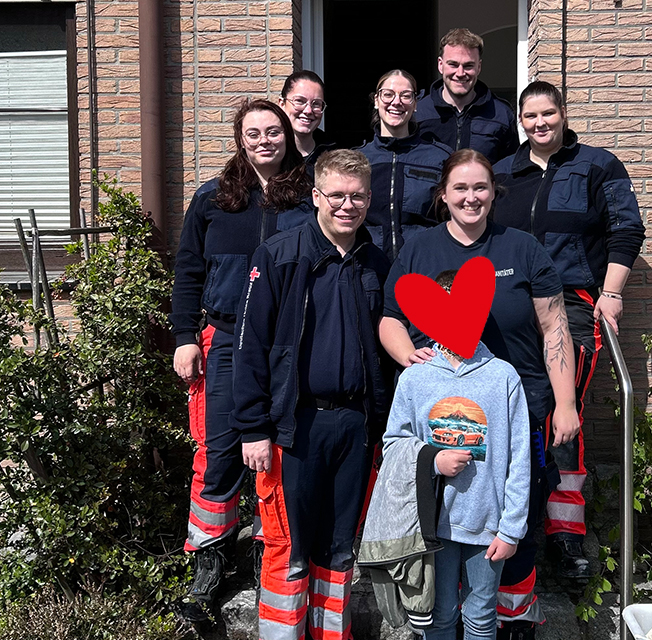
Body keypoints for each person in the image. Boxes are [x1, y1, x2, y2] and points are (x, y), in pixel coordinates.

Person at [379, 149, 579, 636]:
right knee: (445, 533)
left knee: (517, 525)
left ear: (494, 193)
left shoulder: (522, 248)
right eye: (460, 188)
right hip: (440, 418)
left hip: (519, 406)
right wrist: (411, 357)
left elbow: (554, 325)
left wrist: (567, 403)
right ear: (443, 195)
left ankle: (510, 624)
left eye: (481, 187)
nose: (471, 197)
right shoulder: (420, 249)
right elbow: (389, 318)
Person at [230, 149, 392, 640]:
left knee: (340, 549)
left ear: (369, 198)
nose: (348, 205)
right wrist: (253, 428)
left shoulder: (378, 261)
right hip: (292, 427)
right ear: (317, 196)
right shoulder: (278, 255)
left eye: (357, 196)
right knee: (288, 547)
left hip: (356, 427)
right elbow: (249, 347)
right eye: (337, 195)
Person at [492, 80, 645, 587]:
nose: (539, 124)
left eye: (548, 114)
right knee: (504, 411)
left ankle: (565, 534)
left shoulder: (599, 166)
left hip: (575, 306)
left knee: (562, 412)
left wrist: (613, 292)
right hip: (511, 308)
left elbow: (626, 230)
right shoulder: (501, 175)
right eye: (530, 116)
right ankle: (507, 515)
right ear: (521, 120)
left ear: (563, 114)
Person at [170, 98, 313, 616]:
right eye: (253, 133)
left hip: (288, 345)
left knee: (278, 451)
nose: (264, 141)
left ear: (287, 133)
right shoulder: (212, 198)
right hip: (225, 339)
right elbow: (187, 270)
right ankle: (209, 560)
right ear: (239, 138)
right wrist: (185, 336)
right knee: (220, 448)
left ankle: (266, 551)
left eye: (273, 131)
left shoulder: (307, 200)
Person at [379, 268, 532, 640]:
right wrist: (434, 460)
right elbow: (393, 443)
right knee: (440, 614)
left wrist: (511, 529)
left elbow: (520, 457)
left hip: (488, 526)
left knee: (481, 616)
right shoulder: (415, 378)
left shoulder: (504, 377)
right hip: (434, 527)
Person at [358, 69, 452, 260]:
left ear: (415, 103)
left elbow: (453, 216)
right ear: (376, 100)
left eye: (406, 96)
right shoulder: (357, 159)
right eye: (388, 94)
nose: (396, 102)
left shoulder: (439, 158)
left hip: (424, 265)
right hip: (369, 266)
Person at [414, 28, 519, 165]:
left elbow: (511, 172)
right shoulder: (418, 113)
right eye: (453, 64)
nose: (460, 73)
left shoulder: (500, 115)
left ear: (479, 67)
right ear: (440, 65)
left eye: (468, 65)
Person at [278, 70, 335, 173]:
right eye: (299, 101)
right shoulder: (270, 153)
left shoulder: (334, 156)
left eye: (316, 104)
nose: (308, 111)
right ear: (282, 104)